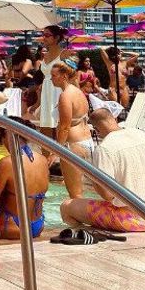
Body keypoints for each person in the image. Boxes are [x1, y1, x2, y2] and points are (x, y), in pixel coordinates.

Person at [60, 109, 145, 232]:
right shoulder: (138, 134)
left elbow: (107, 195)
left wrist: (95, 180)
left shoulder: (105, 148)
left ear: (97, 130)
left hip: (131, 220)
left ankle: (84, 236)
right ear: (114, 119)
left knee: (66, 207)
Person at [0, 116, 51, 241]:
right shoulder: (43, 160)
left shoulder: (6, 163)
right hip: (38, 225)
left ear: (7, 134)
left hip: (12, 225)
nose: (2, 142)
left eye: (1, 138)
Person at [52, 58, 93, 199]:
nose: (51, 79)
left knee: (75, 194)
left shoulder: (65, 96)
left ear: (64, 76)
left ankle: (79, 220)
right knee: (83, 190)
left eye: (54, 76)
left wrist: (56, 150)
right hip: (87, 141)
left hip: (73, 145)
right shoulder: (78, 92)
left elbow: (64, 126)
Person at [35, 25, 69, 136]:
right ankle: (46, 153)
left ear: (57, 37)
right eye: (43, 35)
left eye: (47, 35)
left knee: (60, 124)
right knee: (46, 125)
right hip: (47, 91)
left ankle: (60, 152)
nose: (44, 37)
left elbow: (72, 77)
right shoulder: (45, 56)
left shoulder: (64, 54)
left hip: (59, 90)